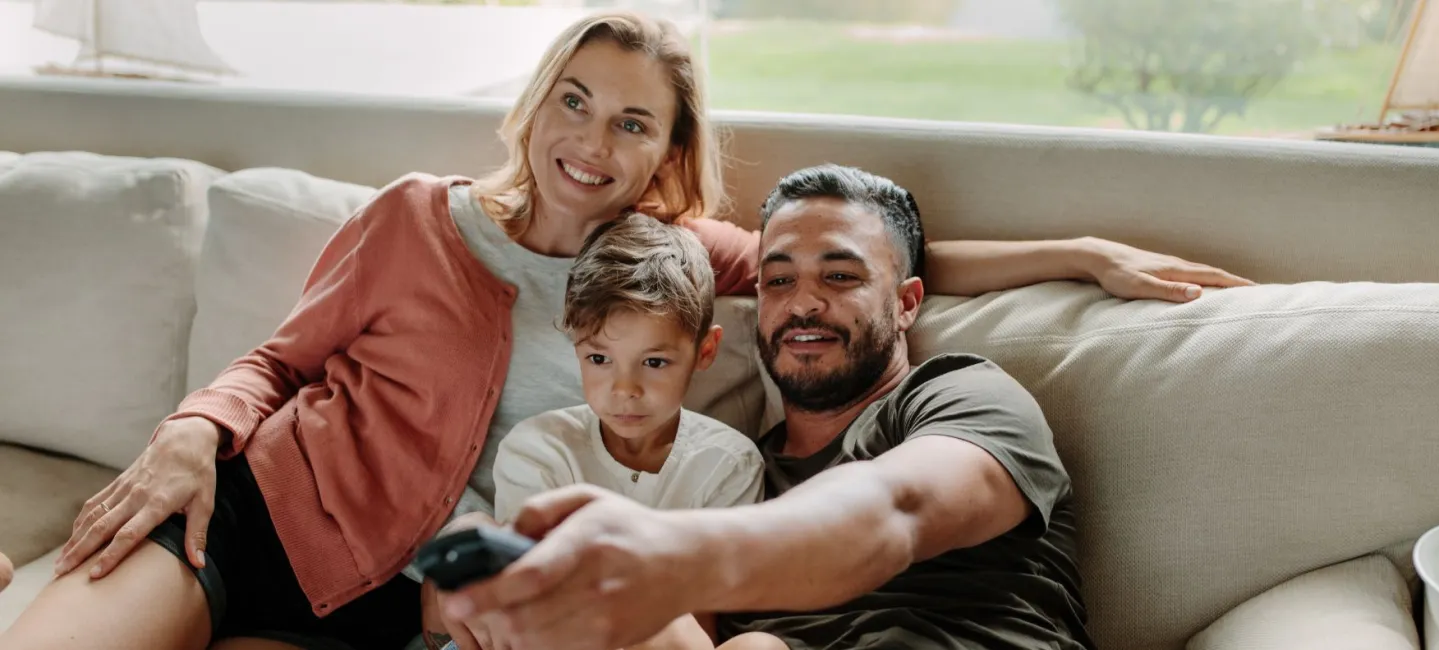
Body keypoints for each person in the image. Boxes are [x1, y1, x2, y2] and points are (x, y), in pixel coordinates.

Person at [0, 10, 1246, 650]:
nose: (592, 145)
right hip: (259, 515)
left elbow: (849, 265)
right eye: (575, 102)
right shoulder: (412, 220)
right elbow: (281, 358)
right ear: (537, 104)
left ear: (669, 153)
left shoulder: (674, 259)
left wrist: (1077, 252)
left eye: (634, 125)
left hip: (405, 595)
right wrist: (186, 431)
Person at [439, 164, 1098, 650]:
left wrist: (666, 558)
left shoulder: (963, 397)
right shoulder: (735, 470)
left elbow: (892, 512)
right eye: (778, 280)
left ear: (905, 303)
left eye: (840, 276)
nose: (804, 303)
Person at [418, 213, 773, 650]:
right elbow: (528, 607)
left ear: (706, 351)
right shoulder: (539, 448)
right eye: (599, 359)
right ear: (576, 348)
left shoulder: (728, 464)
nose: (625, 391)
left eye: (655, 362)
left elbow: (696, 629)